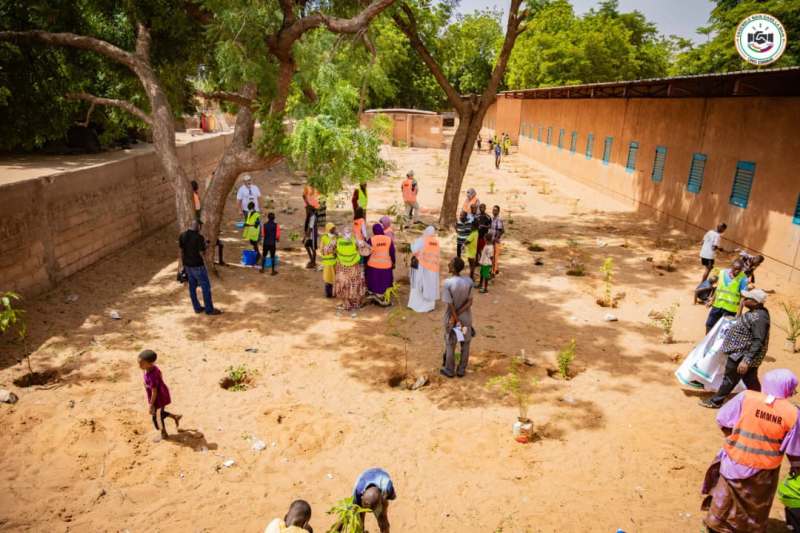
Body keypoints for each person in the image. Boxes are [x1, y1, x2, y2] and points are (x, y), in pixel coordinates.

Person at [700, 369, 800, 532]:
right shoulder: (792, 413)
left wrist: (735, 437)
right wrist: (796, 468)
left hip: (734, 460)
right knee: (755, 505)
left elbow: (722, 418)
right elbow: (795, 448)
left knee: (725, 498)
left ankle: (716, 526)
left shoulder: (746, 397)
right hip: (764, 470)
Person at [701, 288, 771, 409]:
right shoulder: (756, 312)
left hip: (742, 355)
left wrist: (746, 360)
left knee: (730, 378)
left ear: (756, 302)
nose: (744, 299)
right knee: (750, 379)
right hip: (741, 354)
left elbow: (759, 340)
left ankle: (716, 401)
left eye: (747, 298)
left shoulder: (759, 318)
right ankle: (760, 402)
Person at [179, 220, 221, 315]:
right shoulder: (199, 237)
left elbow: (181, 250)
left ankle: (197, 308)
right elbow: (201, 252)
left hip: (188, 266)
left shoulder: (183, 235)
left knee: (192, 287)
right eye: (200, 226)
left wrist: (183, 264)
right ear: (198, 226)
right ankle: (209, 310)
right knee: (205, 287)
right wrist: (206, 245)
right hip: (198, 266)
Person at [441, 257, 474, 378]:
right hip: (465, 320)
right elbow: (470, 302)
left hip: (453, 321)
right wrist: (460, 316)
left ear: (453, 268)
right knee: (465, 343)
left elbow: (450, 305)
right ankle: (461, 370)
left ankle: (449, 370)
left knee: (451, 343)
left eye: (450, 263)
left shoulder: (448, 283)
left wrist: (455, 319)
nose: (448, 264)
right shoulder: (469, 281)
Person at [138, 349, 181, 441]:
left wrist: (151, 404)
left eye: (142, 363)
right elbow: (160, 374)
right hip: (161, 394)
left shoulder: (152, 376)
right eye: (139, 363)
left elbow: (154, 392)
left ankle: (164, 434)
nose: (139, 365)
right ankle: (175, 417)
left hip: (158, 399)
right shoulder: (152, 368)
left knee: (156, 418)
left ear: (149, 363)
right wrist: (150, 384)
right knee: (159, 414)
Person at [329, 228, 369, 313]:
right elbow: (367, 251)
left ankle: (346, 303)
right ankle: (355, 303)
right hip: (354, 268)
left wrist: (334, 245)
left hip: (342, 268)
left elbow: (326, 250)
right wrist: (359, 242)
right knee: (354, 285)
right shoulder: (355, 241)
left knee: (344, 286)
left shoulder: (337, 241)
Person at [705, 260, 748, 333]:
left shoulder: (743, 278)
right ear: (732, 267)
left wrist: (739, 313)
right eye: (735, 269)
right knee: (709, 324)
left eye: (739, 269)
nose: (737, 271)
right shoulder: (722, 273)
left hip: (730, 309)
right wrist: (712, 300)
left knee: (724, 330)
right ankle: (708, 342)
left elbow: (743, 297)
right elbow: (718, 288)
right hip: (717, 305)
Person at [351, 468, 395, 533]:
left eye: (372, 509)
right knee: (359, 523)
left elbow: (392, 497)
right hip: (365, 481)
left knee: (383, 522)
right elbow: (352, 510)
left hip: (381, 478)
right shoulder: (357, 492)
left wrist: (383, 504)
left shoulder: (387, 487)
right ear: (362, 496)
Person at [408, 226, 440, 313]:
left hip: (422, 267)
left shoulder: (422, 240)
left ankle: (416, 305)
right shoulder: (436, 242)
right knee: (430, 286)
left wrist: (411, 244)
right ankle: (429, 306)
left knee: (418, 285)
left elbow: (414, 250)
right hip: (433, 268)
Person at [366, 223, 396, 303]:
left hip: (373, 265)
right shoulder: (388, 239)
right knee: (384, 281)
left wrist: (365, 263)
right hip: (386, 266)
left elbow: (367, 253)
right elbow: (392, 253)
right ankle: (382, 294)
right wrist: (393, 262)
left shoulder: (371, 239)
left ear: (374, 231)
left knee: (373, 279)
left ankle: (373, 292)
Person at [319, 223, 337, 298]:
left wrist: (335, 251)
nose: (334, 229)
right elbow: (321, 249)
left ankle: (335, 292)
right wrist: (327, 250)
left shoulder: (336, 237)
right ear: (328, 229)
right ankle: (328, 293)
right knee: (328, 278)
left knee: (335, 277)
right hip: (327, 261)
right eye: (332, 228)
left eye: (334, 228)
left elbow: (338, 247)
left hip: (334, 260)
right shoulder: (324, 238)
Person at [489, 205, 504, 275]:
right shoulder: (492, 218)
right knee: (492, 255)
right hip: (491, 240)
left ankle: (493, 272)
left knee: (494, 256)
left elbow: (500, 230)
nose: (494, 211)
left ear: (498, 211)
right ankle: (496, 269)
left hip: (495, 241)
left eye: (495, 210)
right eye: (493, 210)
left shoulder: (499, 219)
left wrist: (496, 238)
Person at [303, 205, 318, 269]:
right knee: (307, 246)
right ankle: (312, 260)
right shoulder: (311, 216)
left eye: (307, 210)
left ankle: (313, 262)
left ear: (309, 210)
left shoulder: (313, 217)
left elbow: (310, 228)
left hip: (312, 235)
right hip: (311, 235)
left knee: (313, 248)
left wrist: (306, 236)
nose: (306, 211)